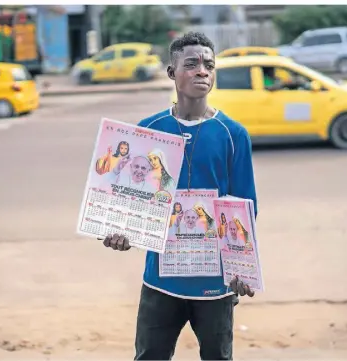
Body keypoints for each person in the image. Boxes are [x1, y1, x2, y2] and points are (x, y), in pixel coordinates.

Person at [102, 31, 257, 360]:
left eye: (209, 65)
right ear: (172, 73)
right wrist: (122, 231)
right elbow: (132, 199)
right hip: (161, 280)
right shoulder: (148, 129)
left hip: (214, 283)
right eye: (192, 64)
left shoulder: (233, 135)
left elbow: (245, 208)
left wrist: (241, 269)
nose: (202, 71)